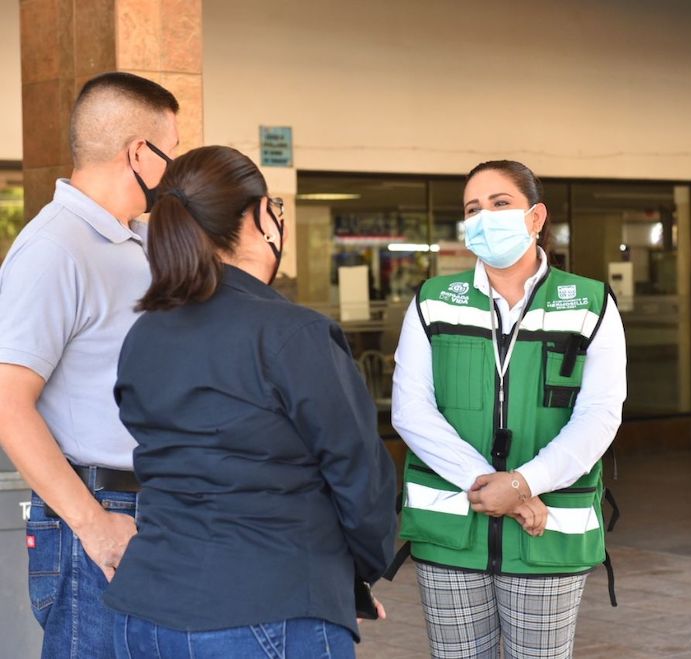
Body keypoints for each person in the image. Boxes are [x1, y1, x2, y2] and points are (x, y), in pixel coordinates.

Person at [103, 145, 397, 658]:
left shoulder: (144, 336)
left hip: (145, 611)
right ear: (261, 215)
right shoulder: (293, 333)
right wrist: (357, 573)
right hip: (271, 606)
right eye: (276, 209)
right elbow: (359, 478)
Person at [390, 160, 626, 658]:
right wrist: (495, 487)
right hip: (451, 534)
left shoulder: (589, 302)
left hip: (548, 535)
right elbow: (411, 410)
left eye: (500, 204)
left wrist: (524, 483)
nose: (484, 217)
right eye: (473, 209)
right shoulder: (433, 301)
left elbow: (600, 415)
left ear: (536, 217)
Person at [0, 72, 178, 658]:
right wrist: (93, 524)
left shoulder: (137, 243)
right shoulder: (54, 248)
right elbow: (7, 401)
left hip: (152, 509)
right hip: (99, 514)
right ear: (138, 153)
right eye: (168, 155)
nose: (171, 171)